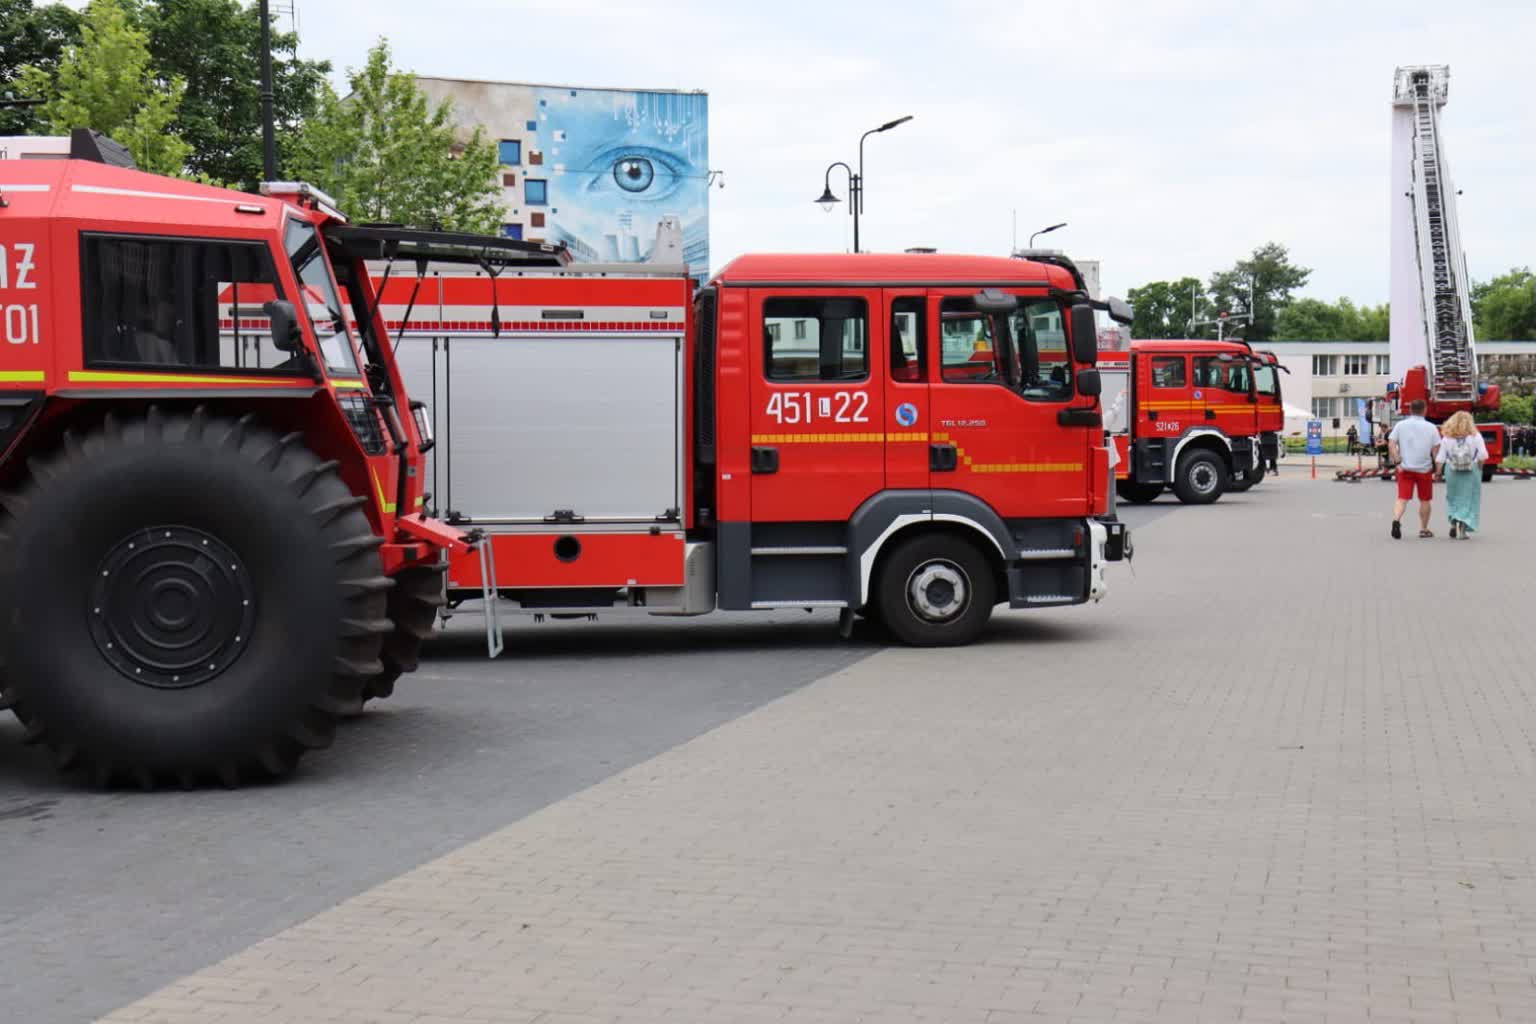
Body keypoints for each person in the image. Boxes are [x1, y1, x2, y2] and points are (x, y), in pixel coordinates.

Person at [1387, 399, 1441, 539]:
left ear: (1410, 410)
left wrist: (1397, 461)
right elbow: (1436, 451)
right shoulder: (1431, 427)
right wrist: (1438, 470)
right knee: (1425, 500)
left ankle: (1396, 520)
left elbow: (1391, 444)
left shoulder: (1400, 425)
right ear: (1425, 410)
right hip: (1424, 469)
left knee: (1402, 498)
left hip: (1405, 468)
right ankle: (1423, 529)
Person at [1435, 411, 1488, 539]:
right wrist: (1480, 467)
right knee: (1468, 499)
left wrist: (1438, 473)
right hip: (1471, 470)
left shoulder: (1447, 438)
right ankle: (1463, 530)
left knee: (1452, 497)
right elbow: (1483, 455)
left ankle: (1453, 522)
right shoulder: (1476, 436)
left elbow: (1440, 458)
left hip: (1451, 470)